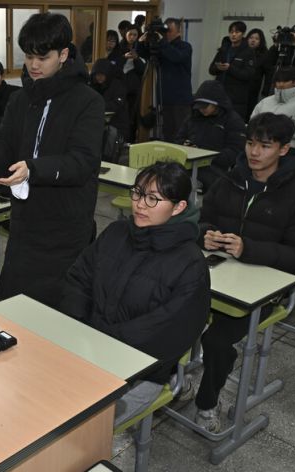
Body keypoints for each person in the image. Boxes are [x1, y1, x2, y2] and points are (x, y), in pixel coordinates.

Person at [188, 113, 295, 432]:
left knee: (217, 340)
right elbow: (200, 220)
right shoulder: (229, 180)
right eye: (250, 143)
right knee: (165, 313)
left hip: (262, 291)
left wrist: (248, 249)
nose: (254, 152)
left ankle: (207, 403)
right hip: (216, 276)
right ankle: (170, 380)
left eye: (265, 146)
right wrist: (205, 234)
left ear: (284, 149)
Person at [61, 161, 210, 424]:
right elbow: (78, 280)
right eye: (138, 193)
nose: (140, 204)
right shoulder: (116, 232)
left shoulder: (190, 263)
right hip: (86, 348)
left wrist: (102, 344)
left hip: (141, 372)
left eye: (153, 198)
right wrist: (81, 332)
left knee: (77, 426)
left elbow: (165, 331)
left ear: (178, 207)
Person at [0, 12, 104, 308]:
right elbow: (6, 140)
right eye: (29, 56)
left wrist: (33, 169)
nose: (33, 65)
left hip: (66, 225)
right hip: (25, 222)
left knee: (56, 314)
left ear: (63, 55)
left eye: (43, 57)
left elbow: (81, 162)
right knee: (12, 308)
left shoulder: (88, 102)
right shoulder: (21, 99)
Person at [174, 80, 246, 191]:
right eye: (199, 106)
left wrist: (207, 155)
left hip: (215, 168)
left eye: (205, 106)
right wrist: (185, 145)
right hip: (188, 164)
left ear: (217, 103)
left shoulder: (233, 120)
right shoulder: (193, 117)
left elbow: (236, 151)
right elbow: (178, 139)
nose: (201, 109)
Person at [138, 18, 194, 141]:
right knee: (167, 133)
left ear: (179, 31)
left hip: (180, 100)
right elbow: (145, 54)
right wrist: (141, 42)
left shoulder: (185, 47)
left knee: (180, 133)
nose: (166, 34)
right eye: (164, 31)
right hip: (164, 99)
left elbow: (176, 57)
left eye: (169, 31)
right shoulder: (162, 47)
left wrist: (162, 42)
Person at [251, 66, 295, 147]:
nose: (281, 84)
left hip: (285, 146)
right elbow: (253, 120)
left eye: (285, 81)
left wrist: (281, 131)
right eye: (278, 81)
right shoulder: (265, 101)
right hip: (258, 143)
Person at [208, 21, 255, 118]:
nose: (233, 35)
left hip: (236, 98)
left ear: (243, 34)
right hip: (219, 95)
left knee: (234, 123)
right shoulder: (224, 49)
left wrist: (230, 68)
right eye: (231, 32)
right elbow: (211, 70)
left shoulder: (248, 52)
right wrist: (218, 68)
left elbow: (248, 75)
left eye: (237, 32)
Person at [91, 58, 131, 143]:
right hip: (99, 124)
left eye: (102, 75)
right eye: (97, 75)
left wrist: (98, 106)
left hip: (117, 124)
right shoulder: (93, 86)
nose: (99, 77)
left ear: (108, 74)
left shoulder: (118, 85)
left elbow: (117, 104)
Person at [246, 28, 269, 121]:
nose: (253, 40)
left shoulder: (264, 55)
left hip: (253, 89)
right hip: (237, 88)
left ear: (261, 41)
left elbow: (268, 74)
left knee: (249, 112)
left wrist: (265, 90)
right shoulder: (242, 51)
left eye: (256, 38)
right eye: (251, 37)